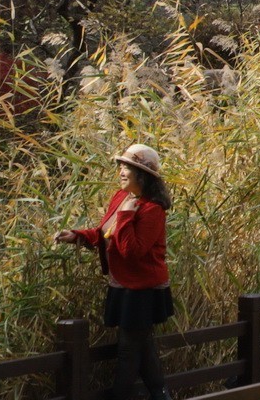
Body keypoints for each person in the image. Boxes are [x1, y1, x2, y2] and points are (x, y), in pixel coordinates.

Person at [55, 144, 174, 400]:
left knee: (129, 350)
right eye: (120, 166)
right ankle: (161, 394)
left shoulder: (152, 210)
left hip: (143, 289)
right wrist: (76, 236)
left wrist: (127, 217)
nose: (121, 172)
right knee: (142, 346)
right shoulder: (121, 198)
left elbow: (133, 251)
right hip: (123, 285)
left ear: (142, 175)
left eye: (127, 168)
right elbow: (104, 234)